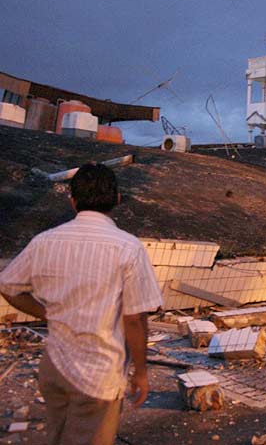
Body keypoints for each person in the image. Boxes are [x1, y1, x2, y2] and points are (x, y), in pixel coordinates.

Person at [0, 163, 163, 445]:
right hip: (98, 375)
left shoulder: (44, 241)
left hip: (55, 369)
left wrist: (47, 312)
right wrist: (142, 372)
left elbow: (8, 286)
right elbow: (135, 318)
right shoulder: (127, 247)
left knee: (58, 437)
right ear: (117, 199)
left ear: (72, 200)